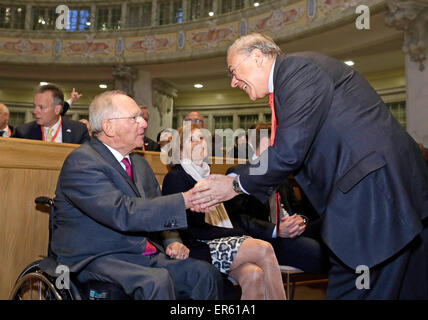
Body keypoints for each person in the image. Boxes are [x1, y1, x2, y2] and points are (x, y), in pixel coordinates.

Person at [192, 33, 428, 299]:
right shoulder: (294, 78)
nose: (233, 82)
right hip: (390, 197)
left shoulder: (296, 71)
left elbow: (289, 150)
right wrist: (236, 176)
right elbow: (289, 148)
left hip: (373, 198)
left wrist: (235, 184)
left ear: (257, 57)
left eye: (233, 71)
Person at [50, 90, 224, 300]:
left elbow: (155, 206)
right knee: (155, 282)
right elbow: (122, 212)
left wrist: (171, 241)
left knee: (204, 274)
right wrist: (185, 200)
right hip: (95, 256)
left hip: (137, 252)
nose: (143, 123)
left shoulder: (139, 163)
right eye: (134, 118)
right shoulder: (82, 162)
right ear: (109, 126)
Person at [162, 123, 286, 300]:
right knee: (264, 249)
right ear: (180, 152)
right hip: (198, 245)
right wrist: (237, 233)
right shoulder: (175, 177)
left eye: (202, 138)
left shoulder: (208, 175)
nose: (200, 142)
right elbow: (191, 227)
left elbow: (229, 218)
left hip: (218, 241)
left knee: (254, 274)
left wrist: (236, 233)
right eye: (192, 139)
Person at [225, 122, 329, 274]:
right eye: (275, 144)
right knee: (321, 254)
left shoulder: (281, 173)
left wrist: (301, 220)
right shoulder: (239, 174)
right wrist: (276, 230)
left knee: (333, 222)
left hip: (292, 230)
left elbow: (299, 209)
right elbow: (239, 219)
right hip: (266, 238)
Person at [13, 84, 89, 144]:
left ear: (57, 109)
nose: (35, 111)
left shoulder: (79, 131)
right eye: (35, 106)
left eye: (41, 107)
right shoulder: (23, 133)